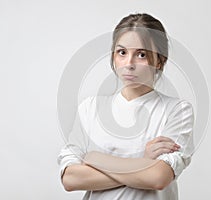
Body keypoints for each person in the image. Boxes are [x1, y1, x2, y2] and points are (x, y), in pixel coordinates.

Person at [57, 13, 194, 200]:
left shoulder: (177, 111)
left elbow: (158, 177)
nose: (129, 64)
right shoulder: (90, 108)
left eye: (141, 54)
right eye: (122, 52)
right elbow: (71, 179)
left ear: (160, 61)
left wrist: (95, 159)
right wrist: (144, 163)